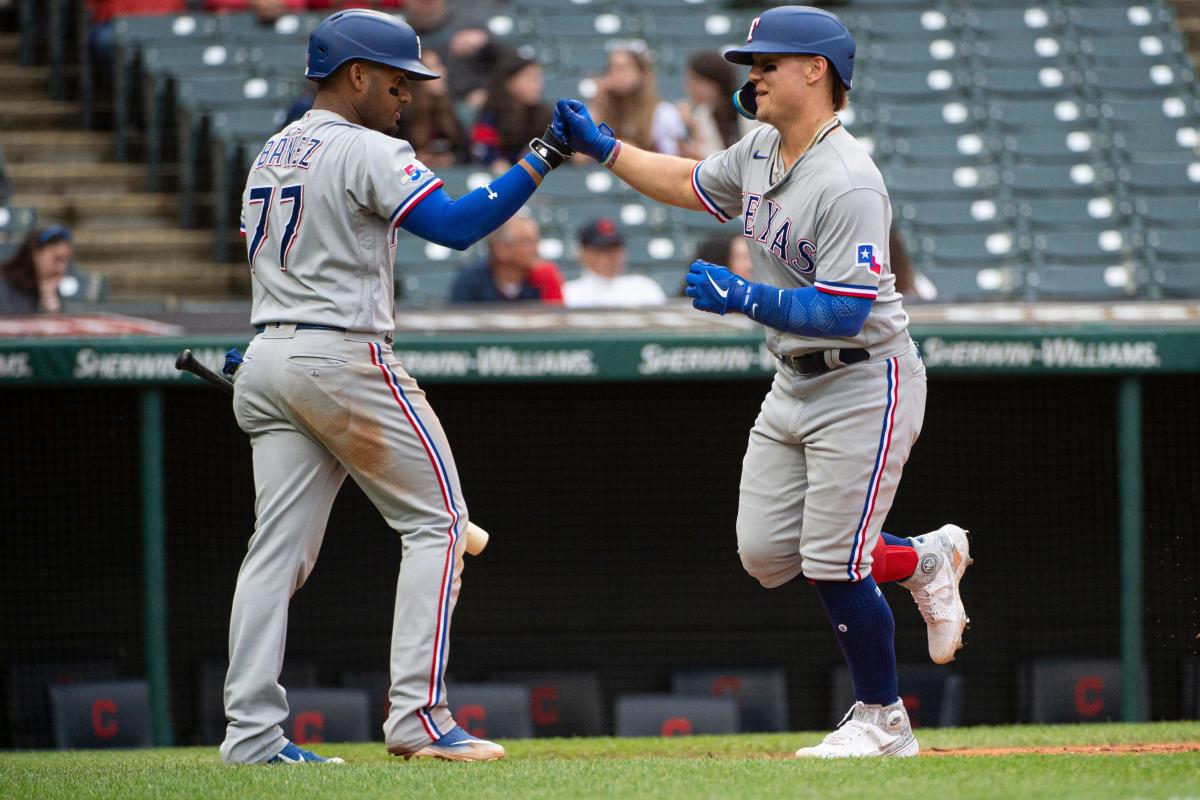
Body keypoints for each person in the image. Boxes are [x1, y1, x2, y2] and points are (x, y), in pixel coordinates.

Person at [553, 5, 970, 758]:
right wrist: (607, 148)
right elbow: (687, 180)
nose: (754, 75)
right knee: (767, 554)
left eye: (768, 62)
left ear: (817, 70)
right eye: (752, 63)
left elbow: (843, 314)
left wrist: (746, 296)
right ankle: (921, 560)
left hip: (863, 379)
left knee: (833, 559)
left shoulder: (850, 180)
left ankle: (884, 719)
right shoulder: (759, 150)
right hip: (792, 381)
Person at [222, 9, 571, 766]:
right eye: (398, 80)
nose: (408, 94)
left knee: (273, 556)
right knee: (440, 525)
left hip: (268, 355)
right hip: (343, 357)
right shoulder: (367, 146)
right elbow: (452, 225)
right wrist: (540, 156)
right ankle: (419, 716)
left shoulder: (271, 150)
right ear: (356, 76)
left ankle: (250, 737)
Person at [588, 41, 686, 156]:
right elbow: (580, 158)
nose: (615, 74)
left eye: (623, 68)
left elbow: (672, 160)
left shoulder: (663, 113)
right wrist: (599, 100)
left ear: (643, 73)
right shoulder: (602, 108)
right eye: (612, 68)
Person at [449, 214, 564, 303]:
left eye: (536, 241)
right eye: (527, 242)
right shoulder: (471, 281)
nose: (536, 249)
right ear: (501, 250)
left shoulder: (543, 279)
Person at [470, 51, 554, 171]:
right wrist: (499, 164)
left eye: (539, 79)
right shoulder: (491, 113)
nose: (538, 86)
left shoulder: (543, 114)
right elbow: (483, 150)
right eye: (531, 79)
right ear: (510, 82)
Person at [562, 217, 667, 309]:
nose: (612, 256)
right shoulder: (569, 294)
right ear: (583, 254)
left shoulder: (644, 287)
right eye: (604, 250)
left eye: (616, 248)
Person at [396, 50, 468, 168]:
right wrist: (415, 158)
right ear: (416, 76)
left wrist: (451, 158)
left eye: (439, 66)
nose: (443, 72)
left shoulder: (449, 108)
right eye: (433, 67)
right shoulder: (400, 114)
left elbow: (465, 150)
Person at [677, 52, 742, 160]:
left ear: (716, 83)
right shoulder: (701, 113)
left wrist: (702, 153)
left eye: (696, 81)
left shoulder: (749, 112)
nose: (689, 88)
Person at [0, 225, 74, 315]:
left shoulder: (54, 292)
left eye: (65, 260)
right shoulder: (4, 286)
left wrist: (50, 302)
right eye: (57, 259)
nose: (61, 267)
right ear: (35, 254)